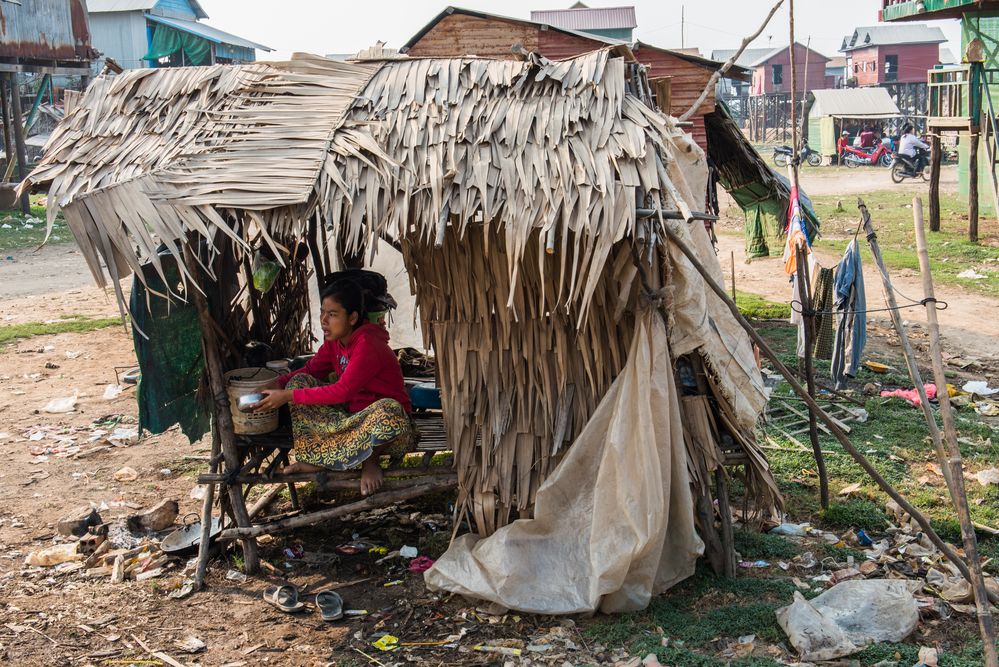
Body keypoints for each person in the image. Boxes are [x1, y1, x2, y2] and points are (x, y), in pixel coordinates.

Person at [253, 278, 414, 495]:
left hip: (390, 433)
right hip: (354, 421)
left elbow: (342, 391)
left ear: (353, 317)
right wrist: (278, 384)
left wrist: (288, 396)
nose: (323, 321)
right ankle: (319, 457)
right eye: (322, 313)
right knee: (298, 382)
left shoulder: (368, 344)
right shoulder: (334, 343)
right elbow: (310, 370)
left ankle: (371, 461)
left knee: (389, 410)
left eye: (333, 314)